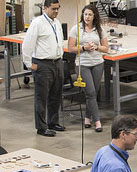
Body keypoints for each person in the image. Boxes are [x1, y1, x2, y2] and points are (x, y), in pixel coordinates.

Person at [22, 0, 66, 137]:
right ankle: (41, 127)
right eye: (53, 9)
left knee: (56, 95)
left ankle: (53, 122)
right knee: (42, 97)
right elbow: (27, 45)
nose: (56, 11)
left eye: (58, 8)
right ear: (45, 8)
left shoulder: (56, 23)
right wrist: (29, 64)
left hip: (57, 62)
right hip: (43, 64)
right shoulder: (37, 23)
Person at [68, 4, 108, 132]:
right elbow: (71, 48)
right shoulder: (76, 29)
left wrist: (96, 47)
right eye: (85, 14)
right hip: (83, 64)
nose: (87, 17)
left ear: (94, 16)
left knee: (93, 93)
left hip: (97, 63)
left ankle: (87, 118)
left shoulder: (99, 29)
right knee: (90, 92)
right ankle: (97, 121)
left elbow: (106, 48)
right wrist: (84, 48)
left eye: (90, 14)